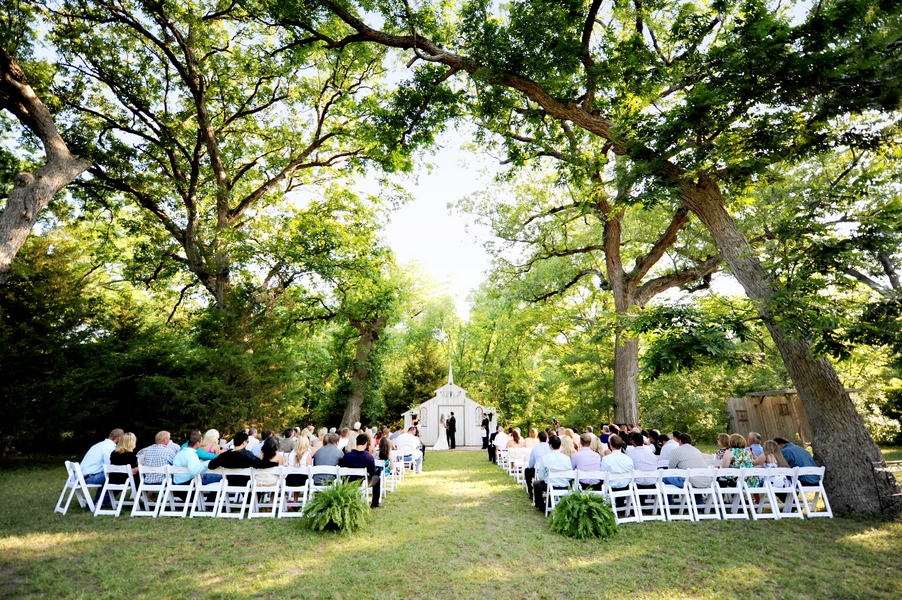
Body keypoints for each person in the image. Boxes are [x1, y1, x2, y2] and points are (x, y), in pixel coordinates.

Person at [207, 431, 280, 486]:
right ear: (244, 442)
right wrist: (275, 463)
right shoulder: (246, 455)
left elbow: (211, 465)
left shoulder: (224, 455)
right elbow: (259, 464)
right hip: (246, 484)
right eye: (247, 442)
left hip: (229, 483)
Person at [340, 433, 382, 508]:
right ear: (366, 443)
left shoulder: (347, 456)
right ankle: (375, 503)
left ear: (356, 442)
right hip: (362, 480)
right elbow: (373, 473)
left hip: (348, 480)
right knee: (377, 478)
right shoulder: (368, 457)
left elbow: (342, 469)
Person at [533, 436, 572, 511]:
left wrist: (545, 478)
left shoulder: (545, 458)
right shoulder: (567, 458)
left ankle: (540, 506)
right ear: (560, 445)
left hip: (550, 485)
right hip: (564, 484)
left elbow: (541, 476)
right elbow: (569, 474)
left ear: (550, 445)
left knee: (536, 483)